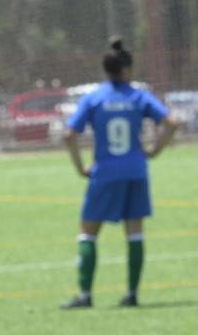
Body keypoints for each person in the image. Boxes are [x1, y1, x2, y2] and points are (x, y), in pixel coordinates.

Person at [61, 38, 172, 309]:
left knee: (88, 231)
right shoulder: (138, 96)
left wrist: (80, 167)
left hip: (105, 172)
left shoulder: (95, 98)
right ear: (126, 70)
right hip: (135, 170)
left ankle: (85, 295)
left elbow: (68, 134)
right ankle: (132, 293)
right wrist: (155, 150)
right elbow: (171, 122)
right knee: (134, 232)